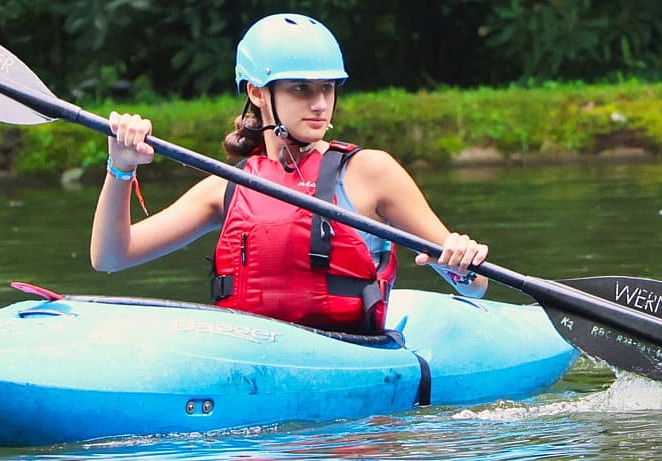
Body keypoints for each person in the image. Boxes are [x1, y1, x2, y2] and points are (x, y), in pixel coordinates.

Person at [91, 13, 488, 334]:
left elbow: (474, 285)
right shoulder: (228, 187)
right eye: (301, 89)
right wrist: (121, 167)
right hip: (255, 361)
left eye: (327, 89)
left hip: (354, 362)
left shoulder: (371, 172)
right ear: (257, 92)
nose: (319, 104)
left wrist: (460, 265)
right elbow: (111, 257)